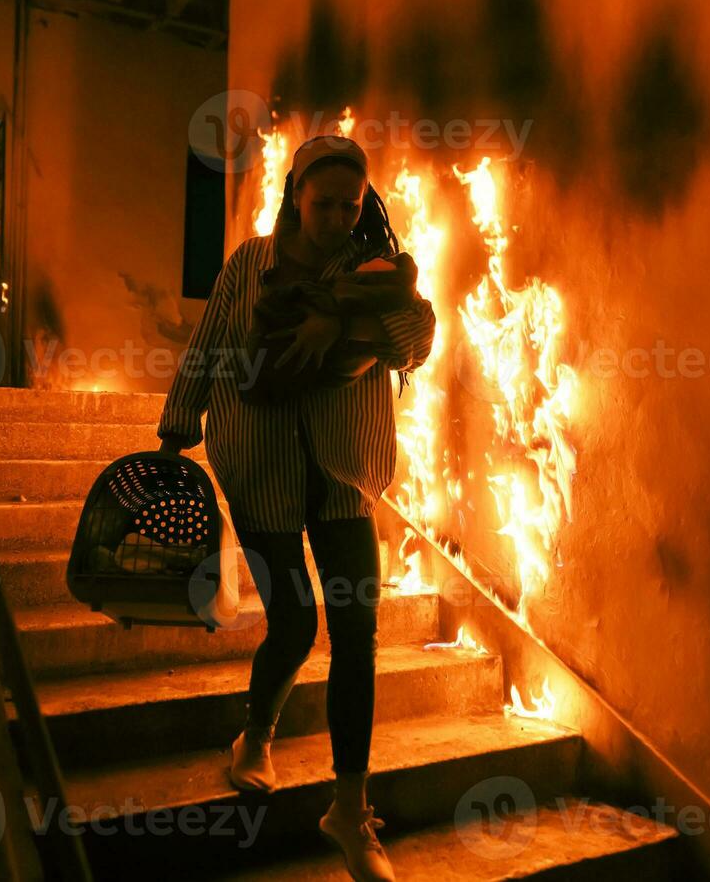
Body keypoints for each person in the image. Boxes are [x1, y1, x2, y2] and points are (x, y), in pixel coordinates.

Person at [157, 135, 435, 882]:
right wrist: (176, 428)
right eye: (324, 204)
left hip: (346, 471)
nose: (338, 218)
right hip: (261, 467)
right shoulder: (251, 263)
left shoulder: (373, 267)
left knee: (357, 632)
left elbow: (417, 342)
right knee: (295, 621)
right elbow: (214, 343)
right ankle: (256, 735)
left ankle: (350, 809)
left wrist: (343, 320)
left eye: (352, 204)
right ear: (295, 198)